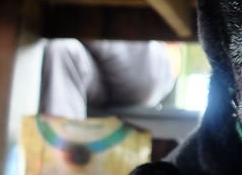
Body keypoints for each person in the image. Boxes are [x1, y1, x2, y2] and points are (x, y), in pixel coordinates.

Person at [39, 39, 180, 119]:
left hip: (149, 61)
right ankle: (60, 159)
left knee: (75, 16)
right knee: (62, 49)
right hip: (95, 69)